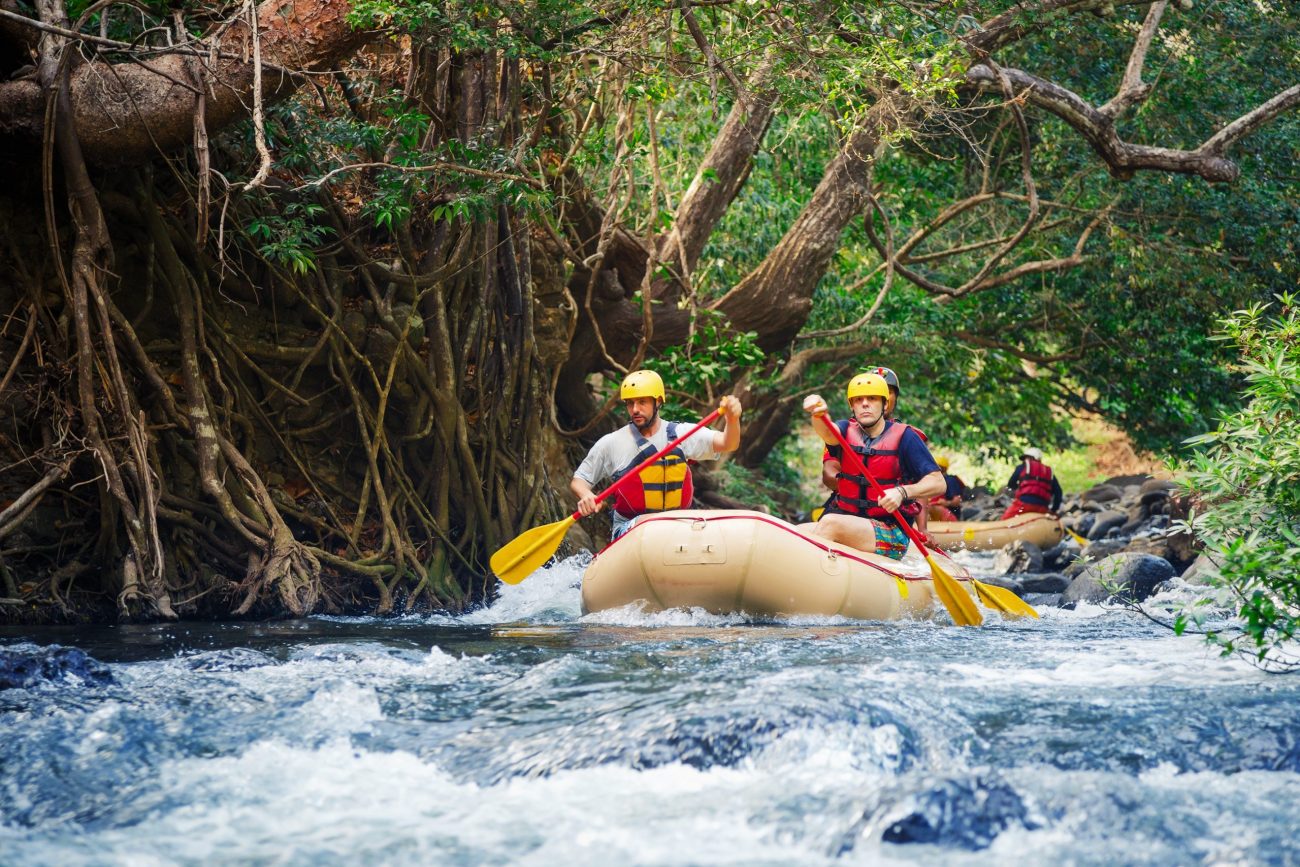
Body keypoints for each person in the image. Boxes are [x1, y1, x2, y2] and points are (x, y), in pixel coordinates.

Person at [571, 370, 742, 540]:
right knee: (651, 526)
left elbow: (728, 443)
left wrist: (732, 420)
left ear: (658, 401)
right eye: (630, 403)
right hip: (631, 528)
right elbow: (579, 481)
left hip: (679, 524)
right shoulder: (612, 443)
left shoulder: (682, 434)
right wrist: (586, 495)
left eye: (642, 402)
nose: (635, 409)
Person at [801, 373, 945, 559]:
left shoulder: (906, 437)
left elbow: (938, 483)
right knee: (794, 532)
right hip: (849, 520)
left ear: (885, 404)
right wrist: (818, 413)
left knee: (829, 524)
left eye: (872, 398)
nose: (865, 404)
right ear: (851, 406)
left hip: (891, 531)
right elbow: (828, 432)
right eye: (858, 399)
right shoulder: (844, 429)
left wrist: (902, 492)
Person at [1001, 447, 1063, 519]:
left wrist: (1018, 488)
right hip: (1042, 508)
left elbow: (1011, 483)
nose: (1024, 460)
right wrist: (1053, 510)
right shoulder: (1049, 472)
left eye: (1026, 458)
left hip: (1023, 505)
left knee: (1005, 519)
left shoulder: (1022, 467)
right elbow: (1058, 493)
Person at [929, 455, 967, 522]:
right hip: (938, 515)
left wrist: (946, 503)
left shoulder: (950, 480)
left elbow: (957, 501)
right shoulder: (934, 481)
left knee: (932, 508)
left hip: (952, 515)